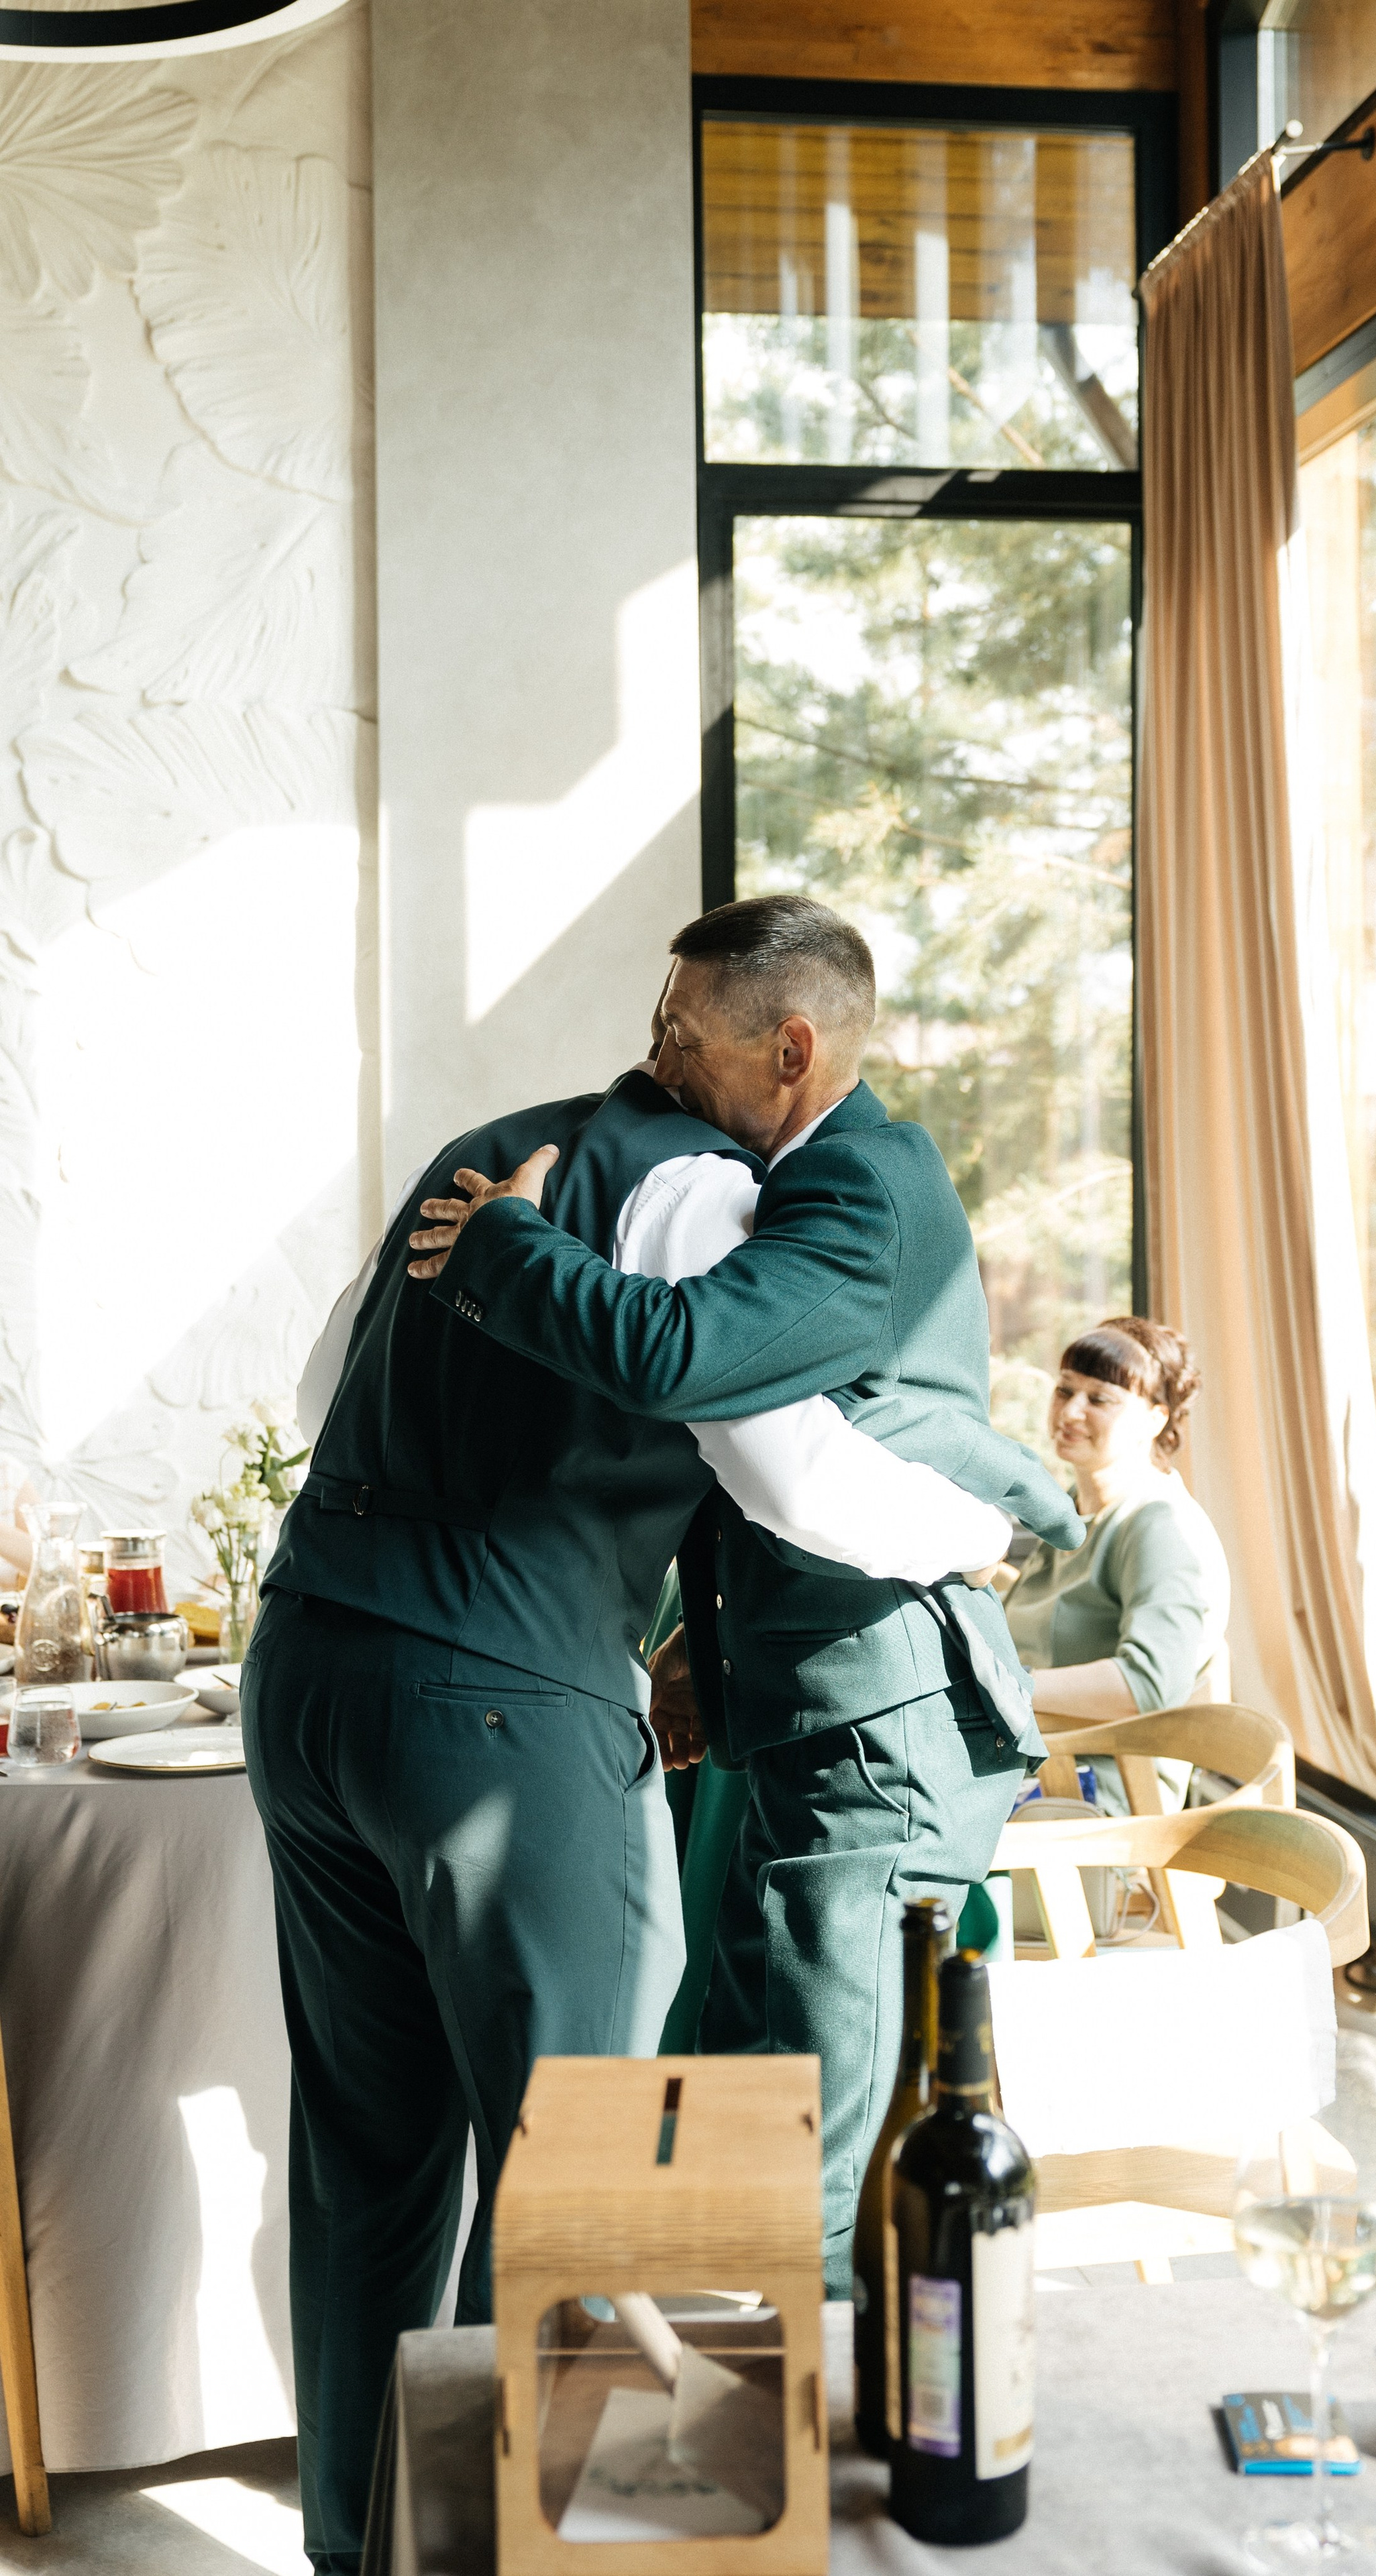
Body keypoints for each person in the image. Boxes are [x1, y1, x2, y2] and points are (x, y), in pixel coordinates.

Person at [247, 895, 1074, 2575]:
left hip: (307, 1666)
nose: (656, 1034)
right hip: (492, 1705)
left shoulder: (493, 1150)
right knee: (585, 2173)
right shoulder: (698, 1187)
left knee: (367, 2160)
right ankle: (560, 2551)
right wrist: (990, 1513)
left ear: (779, 1039)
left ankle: (355, 2548)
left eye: (678, 1018)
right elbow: (774, 1463)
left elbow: (323, 1362)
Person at [406, 897, 1079, 2292]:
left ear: (788, 1047)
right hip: (809, 1708)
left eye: (680, 1033)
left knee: (814, 2163)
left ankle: (836, 2499)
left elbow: (698, 1368)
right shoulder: (781, 1175)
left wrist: (510, 1252)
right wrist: (699, 1660)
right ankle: (739, 2470)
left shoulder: (854, 1179)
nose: (652, 1062)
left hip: (878, 1718)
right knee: (754, 2121)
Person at [1004, 1317, 1230, 1773]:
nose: (1070, 1413)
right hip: (1038, 1761)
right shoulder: (1076, 1508)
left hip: (1095, 1789)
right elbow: (1057, 1605)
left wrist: (1007, 1686)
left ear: (1155, 1417)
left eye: (1100, 1399)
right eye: (1065, 1390)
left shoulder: (1160, 1526)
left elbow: (1147, 1684)